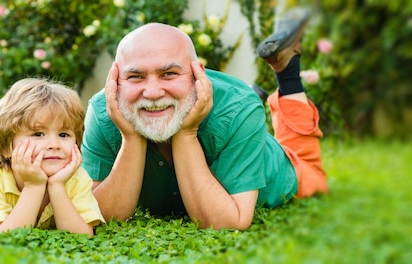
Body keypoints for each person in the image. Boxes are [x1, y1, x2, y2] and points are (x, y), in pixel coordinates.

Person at [81, 8, 328, 230]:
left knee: (311, 171)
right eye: (135, 76)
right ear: (116, 78)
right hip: (222, 110)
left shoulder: (240, 108)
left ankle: (288, 74)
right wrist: (130, 137)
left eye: (168, 74)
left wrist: (186, 133)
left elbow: (228, 223)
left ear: (196, 72)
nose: (153, 92)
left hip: (282, 166)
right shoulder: (104, 111)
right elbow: (99, 215)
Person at [0, 78, 105, 236]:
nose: (54, 144)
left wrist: (57, 186)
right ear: (8, 147)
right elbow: (2, 239)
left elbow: (82, 236)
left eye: (64, 135)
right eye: (38, 134)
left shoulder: (75, 178)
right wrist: (33, 186)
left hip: (10, 169)